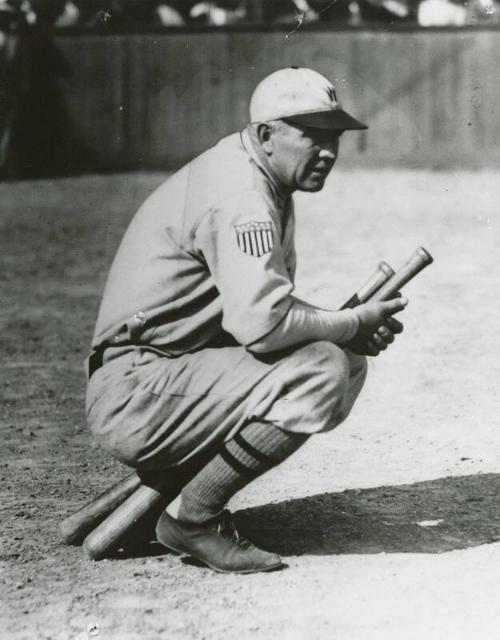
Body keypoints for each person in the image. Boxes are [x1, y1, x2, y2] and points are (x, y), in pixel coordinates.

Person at [86, 67, 407, 574]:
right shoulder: (243, 196)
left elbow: (262, 316)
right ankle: (195, 519)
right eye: (313, 136)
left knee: (344, 358)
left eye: (334, 137)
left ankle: (182, 494)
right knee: (321, 367)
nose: (328, 151)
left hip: (169, 376)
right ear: (266, 134)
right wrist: (349, 321)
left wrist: (351, 328)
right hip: (136, 393)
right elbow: (262, 324)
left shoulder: (256, 173)